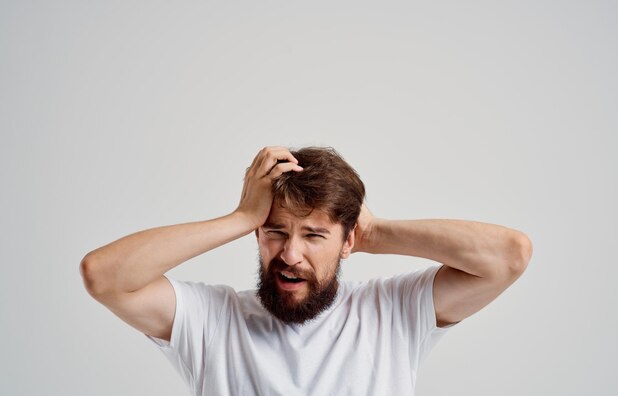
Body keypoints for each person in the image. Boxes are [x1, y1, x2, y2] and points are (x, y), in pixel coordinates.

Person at [80, 146, 533, 395]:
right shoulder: (212, 320)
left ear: (347, 240)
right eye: (276, 231)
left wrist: (374, 233)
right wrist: (239, 218)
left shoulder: (391, 312)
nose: (291, 254)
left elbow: (509, 256)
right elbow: (103, 275)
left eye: (314, 235)